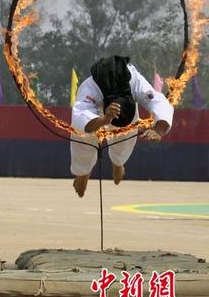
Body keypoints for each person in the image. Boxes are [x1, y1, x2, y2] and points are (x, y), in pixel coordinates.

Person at [71, 56, 173, 197]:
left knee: (127, 134)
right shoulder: (90, 87)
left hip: (126, 110)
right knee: (83, 136)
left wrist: (159, 130)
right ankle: (82, 173)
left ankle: (118, 163)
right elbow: (80, 116)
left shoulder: (135, 81)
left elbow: (159, 101)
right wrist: (104, 119)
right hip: (100, 110)